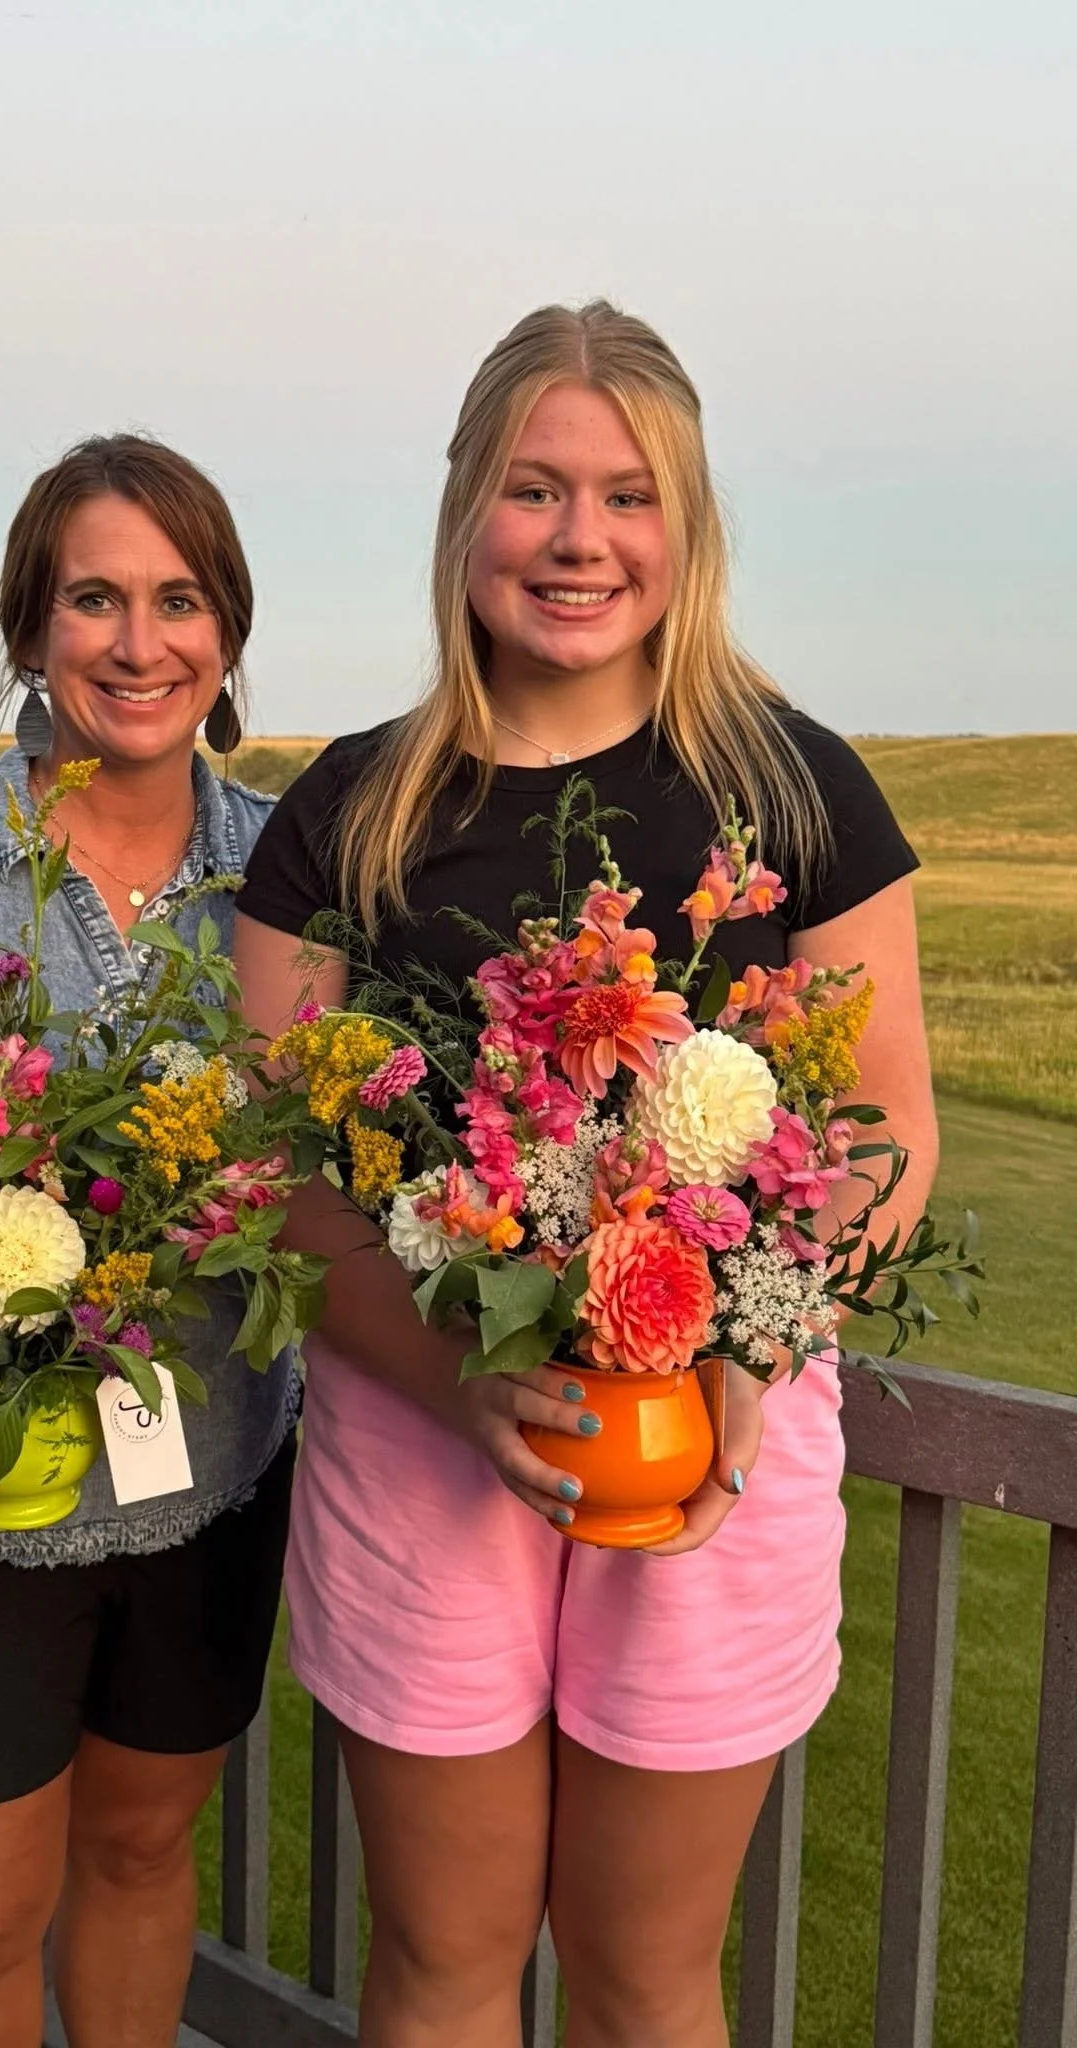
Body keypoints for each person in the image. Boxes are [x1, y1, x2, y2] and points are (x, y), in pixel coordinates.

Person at [232, 303, 935, 2047]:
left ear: (685, 527)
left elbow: (891, 1133)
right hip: (422, 1438)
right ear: (469, 509)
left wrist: (746, 1347)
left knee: (644, 1980)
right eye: (536, 489)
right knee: (447, 1966)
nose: (579, 539)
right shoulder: (355, 811)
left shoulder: (797, 787)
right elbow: (276, 1177)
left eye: (628, 495)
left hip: (718, 1446)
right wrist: (456, 1380)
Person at [0, 435, 295, 2048]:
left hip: (206, 1468)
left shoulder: (288, 885)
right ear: (31, 629)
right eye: (94, 598)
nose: (138, 642)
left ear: (225, 635)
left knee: (148, 1855)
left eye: (178, 600)